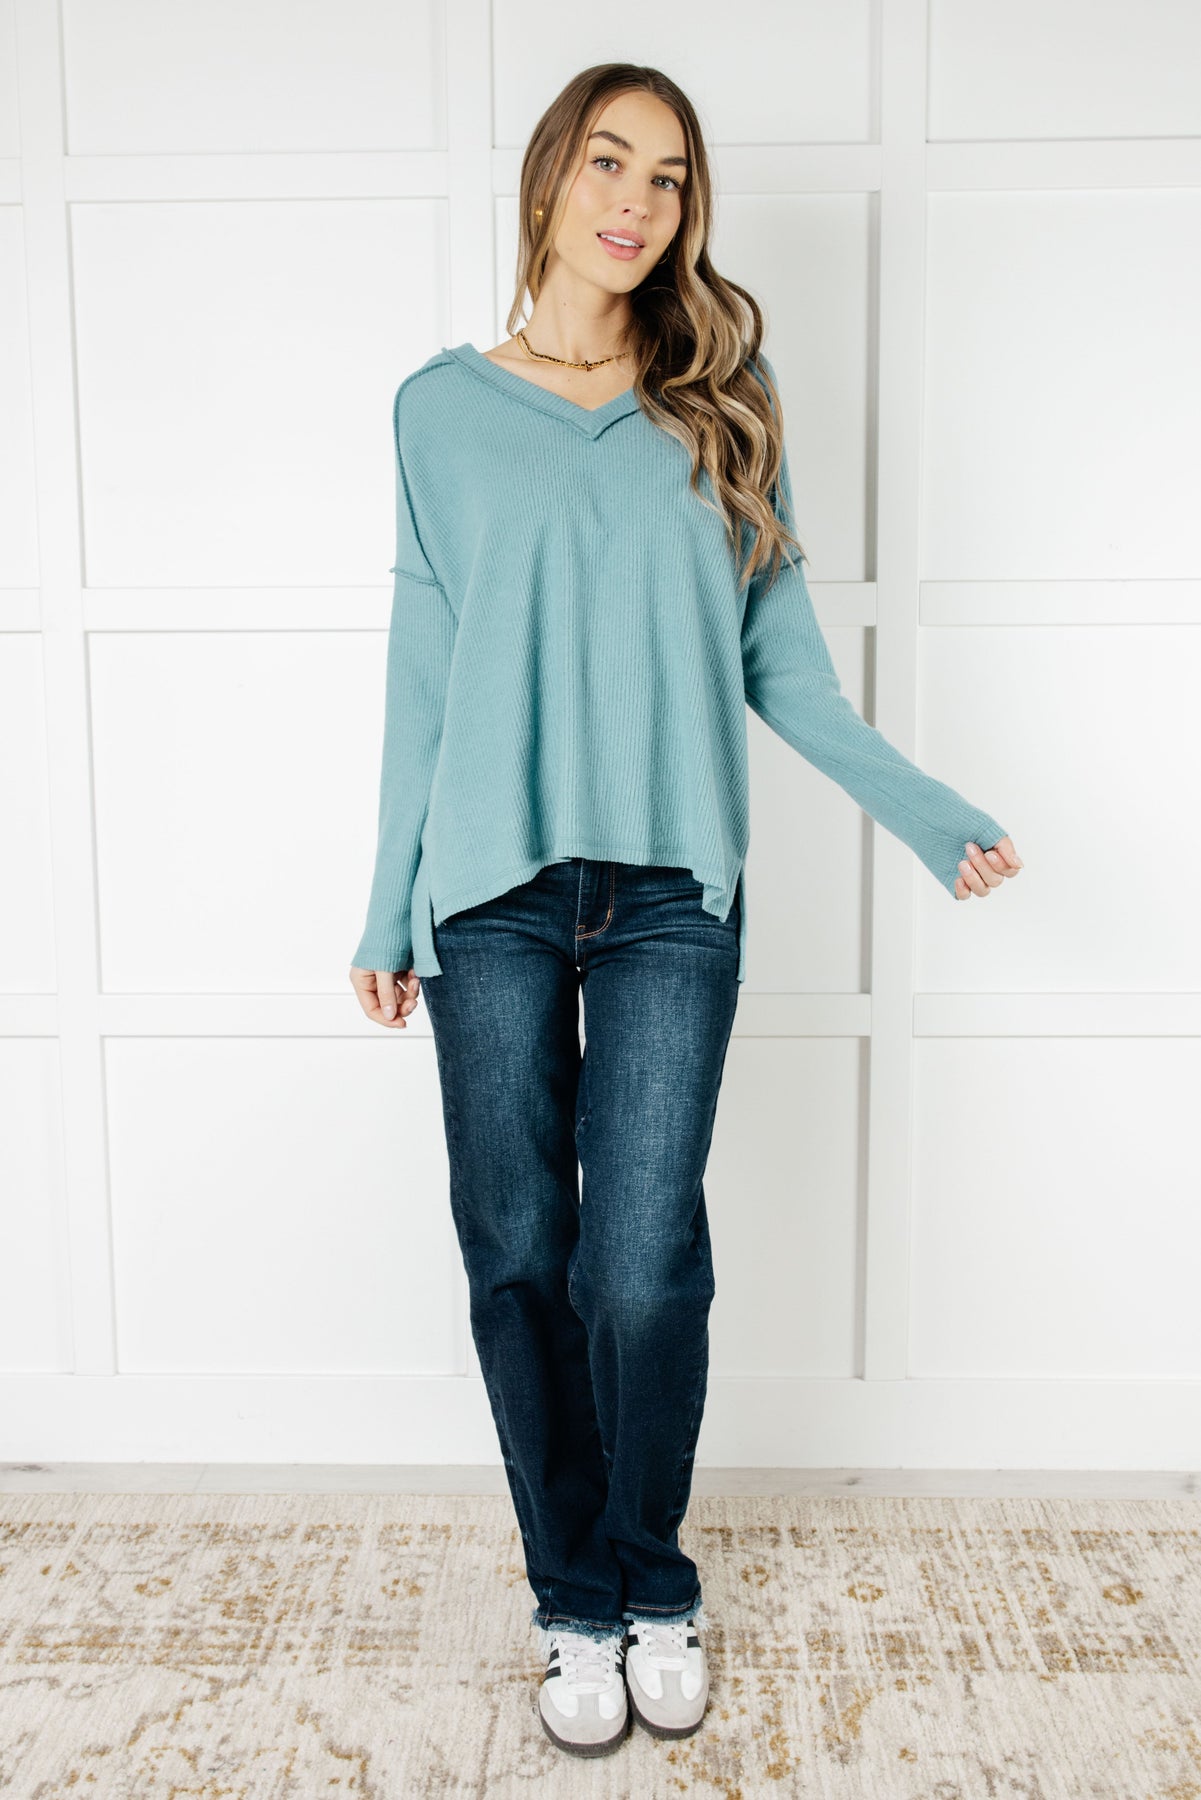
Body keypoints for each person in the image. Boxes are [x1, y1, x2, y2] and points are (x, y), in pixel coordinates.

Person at [349, 64, 1023, 1760]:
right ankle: (571, 1600)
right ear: (548, 182)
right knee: (520, 1251)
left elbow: (779, 667)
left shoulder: (722, 396)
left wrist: (925, 813)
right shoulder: (438, 410)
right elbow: (423, 671)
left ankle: (656, 1580)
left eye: (666, 176)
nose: (636, 201)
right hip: (488, 892)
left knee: (642, 1263)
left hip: (669, 895)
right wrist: (380, 908)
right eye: (608, 162)